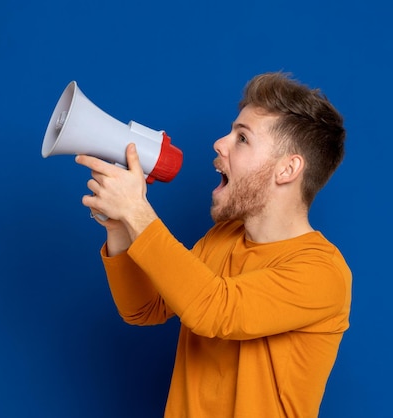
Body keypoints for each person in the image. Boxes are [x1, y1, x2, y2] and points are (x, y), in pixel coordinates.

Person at [74, 72, 352, 418]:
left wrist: (138, 214)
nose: (220, 144)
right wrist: (119, 226)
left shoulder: (321, 273)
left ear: (287, 169)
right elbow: (142, 308)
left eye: (242, 138)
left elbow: (215, 310)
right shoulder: (222, 239)